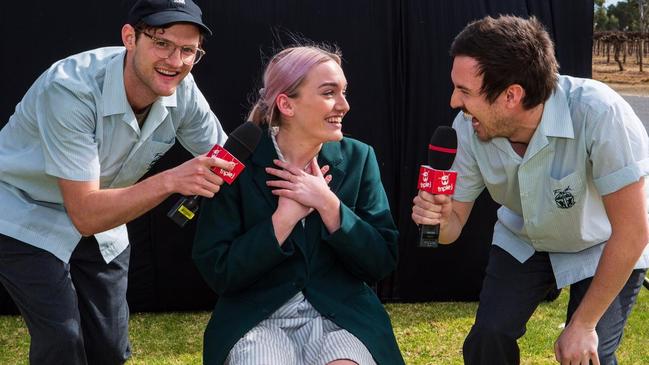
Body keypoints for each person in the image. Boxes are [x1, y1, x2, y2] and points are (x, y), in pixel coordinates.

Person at [0, 0, 231, 364]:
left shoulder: (183, 91)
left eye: (188, 50)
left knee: (109, 349)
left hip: (103, 212)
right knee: (63, 340)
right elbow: (85, 215)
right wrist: (172, 180)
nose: (176, 61)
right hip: (24, 211)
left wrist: (295, 173)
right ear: (129, 37)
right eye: (162, 43)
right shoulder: (69, 88)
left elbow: (228, 162)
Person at [411, 15, 649, 365]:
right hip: (524, 240)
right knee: (487, 339)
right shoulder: (467, 127)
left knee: (585, 354)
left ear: (511, 95)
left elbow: (633, 230)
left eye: (464, 91)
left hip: (605, 242)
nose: (453, 102)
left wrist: (584, 325)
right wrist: (439, 220)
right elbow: (451, 228)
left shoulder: (601, 113)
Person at [193, 45, 405, 365]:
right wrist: (282, 221)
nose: (344, 105)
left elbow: (380, 262)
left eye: (344, 92)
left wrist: (329, 206)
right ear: (286, 104)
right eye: (329, 92)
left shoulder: (360, 158)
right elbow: (219, 271)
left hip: (341, 316)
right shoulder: (234, 161)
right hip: (257, 319)